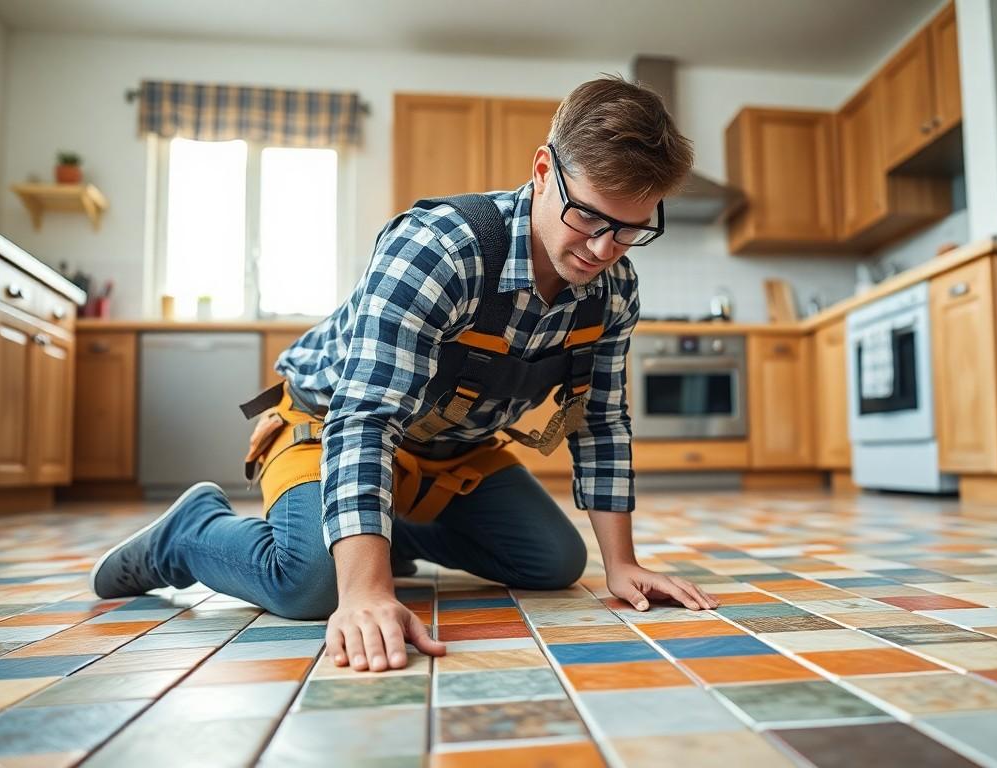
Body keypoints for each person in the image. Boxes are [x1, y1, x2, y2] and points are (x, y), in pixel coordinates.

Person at [89, 75, 719, 674]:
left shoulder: (613, 291)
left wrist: (623, 563)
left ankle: (377, 533)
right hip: (329, 420)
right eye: (589, 217)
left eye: (634, 228)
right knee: (312, 585)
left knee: (553, 560)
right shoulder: (442, 249)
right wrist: (362, 591)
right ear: (543, 171)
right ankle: (189, 531)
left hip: (452, 450)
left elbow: (601, 421)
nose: (605, 249)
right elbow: (365, 417)